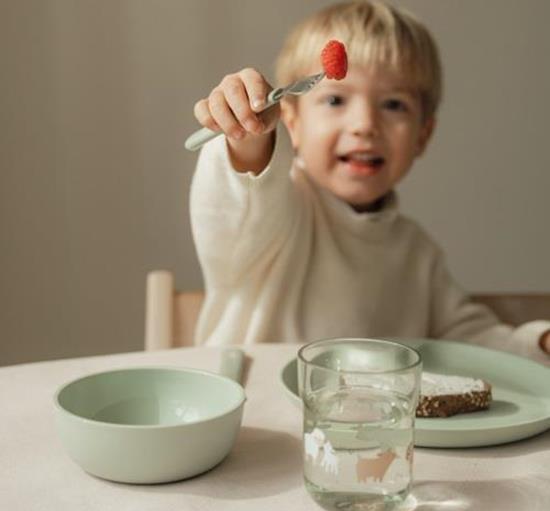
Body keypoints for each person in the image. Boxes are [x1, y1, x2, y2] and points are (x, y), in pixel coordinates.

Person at [189, 0, 550, 364]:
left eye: (393, 105)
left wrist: (539, 342)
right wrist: (248, 134)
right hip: (252, 414)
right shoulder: (278, 214)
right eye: (334, 99)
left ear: (422, 135)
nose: (364, 124)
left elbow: (465, 338)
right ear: (292, 122)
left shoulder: (416, 252)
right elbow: (243, 195)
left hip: (365, 420)